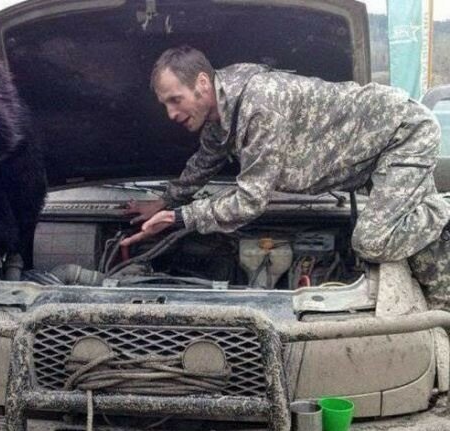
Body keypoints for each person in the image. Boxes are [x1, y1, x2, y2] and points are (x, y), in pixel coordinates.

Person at [122, 45, 450, 308]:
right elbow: (204, 163)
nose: (171, 114)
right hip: (368, 158)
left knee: (372, 241)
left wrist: (179, 218)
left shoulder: (259, 104)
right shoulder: (220, 116)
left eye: (175, 100)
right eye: (165, 104)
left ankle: (444, 207)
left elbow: (250, 201)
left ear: (203, 84)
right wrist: (165, 200)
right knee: (416, 243)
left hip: (401, 134)